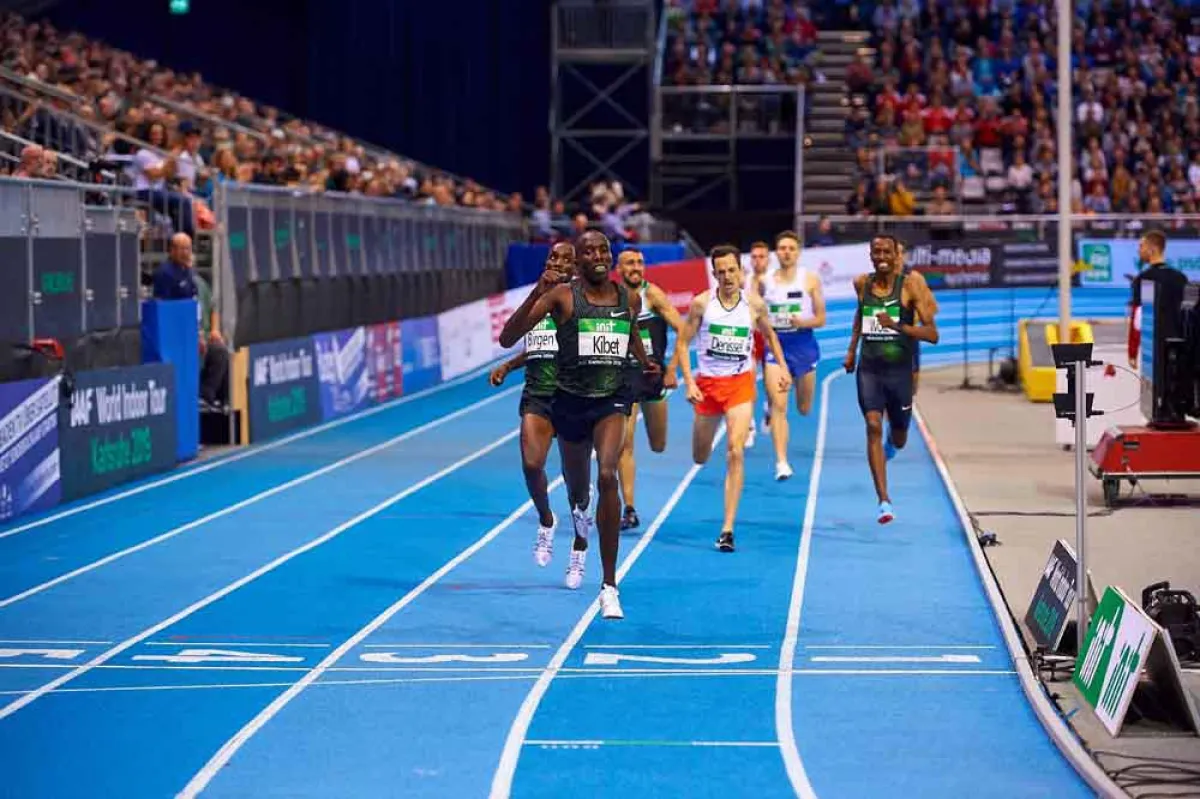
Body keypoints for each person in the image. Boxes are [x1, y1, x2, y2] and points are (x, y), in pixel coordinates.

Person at [498, 230, 659, 620]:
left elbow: (631, 330)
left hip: (611, 402)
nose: (598, 256)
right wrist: (537, 291)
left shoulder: (628, 298)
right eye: (589, 251)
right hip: (569, 404)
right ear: (580, 261)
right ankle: (573, 519)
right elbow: (508, 337)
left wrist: (646, 361)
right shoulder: (562, 297)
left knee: (608, 475)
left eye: (604, 249)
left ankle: (608, 587)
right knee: (580, 492)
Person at [677, 245, 791, 552]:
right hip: (708, 387)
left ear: (740, 272)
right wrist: (688, 381)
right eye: (721, 271)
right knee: (700, 456)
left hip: (740, 385)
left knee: (735, 452)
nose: (727, 276)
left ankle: (727, 529)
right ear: (714, 274)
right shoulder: (702, 304)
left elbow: (769, 335)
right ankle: (704, 445)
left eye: (732, 270)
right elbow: (682, 342)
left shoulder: (754, 304)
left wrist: (780, 365)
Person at [489, 241, 576, 567]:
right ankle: (546, 520)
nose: (557, 261)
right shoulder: (535, 295)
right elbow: (529, 341)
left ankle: (579, 536)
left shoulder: (577, 298)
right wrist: (509, 365)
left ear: (575, 266)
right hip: (537, 393)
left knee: (573, 478)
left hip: (571, 395)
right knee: (530, 465)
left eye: (566, 258)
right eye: (553, 256)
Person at [843, 235, 939, 524]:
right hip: (869, 369)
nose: (882, 256)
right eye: (876, 251)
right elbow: (860, 314)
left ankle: (891, 444)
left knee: (900, 437)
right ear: (870, 255)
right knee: (872, 424)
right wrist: (851, 351)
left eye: (887, 251)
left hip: (900, 373)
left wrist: (896, 325)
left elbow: (932, 334)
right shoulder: (862, 283)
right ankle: (884, 501)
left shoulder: (910, 286)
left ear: (897, 255)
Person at [614, 247, 685, 530]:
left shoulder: (653, 295)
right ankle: (629, 508)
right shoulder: (611, 297)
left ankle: (629, 506)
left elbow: (684, 329)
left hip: (653, 378)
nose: (636, 267)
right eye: (630, 263)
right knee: (624, 443)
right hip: (624, 379)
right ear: (619, 269)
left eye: (640, 263)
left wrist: (672, 368)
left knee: (658, 445)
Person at [758, 230, 826, 480]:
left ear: (798, 252)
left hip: (804, 347)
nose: (786, 252)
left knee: (804, 408)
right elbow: (756, 312)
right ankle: (781, 463)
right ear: (777, 252)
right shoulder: (765, 281)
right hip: (777, 347)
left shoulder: (810, 280)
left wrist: (803, 321)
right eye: (782, 248)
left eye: (791, 248)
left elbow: (821, 319)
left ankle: (784, 403)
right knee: (779, 406)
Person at [151, 232, 230, 411]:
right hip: (175, 336)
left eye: (188, 248)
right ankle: (195, 399)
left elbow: (196, 308)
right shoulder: (165, 274)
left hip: (192, 333)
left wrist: (200, 333)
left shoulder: (189, 273)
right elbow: (169, 311)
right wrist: (192, 336)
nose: (186, 252)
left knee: (219, 351)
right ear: (172, 250)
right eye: (182, 248)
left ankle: (207, 397)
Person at [896, 241, 936, 395]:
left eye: (900, 253)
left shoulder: (916, 279)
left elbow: (930, 308)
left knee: (913, 382)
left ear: (905, 256)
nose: (897, 257)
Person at [745, 240, 774, 448]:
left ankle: (769, 408)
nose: (757, 261)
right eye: (754, 257)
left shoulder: (776, 280)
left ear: (769, 259)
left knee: (772, 384)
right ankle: (749, 425)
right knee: (748, 380)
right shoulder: (744, 280)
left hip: (771, 335)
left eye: (761, 256)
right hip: (751, 336)